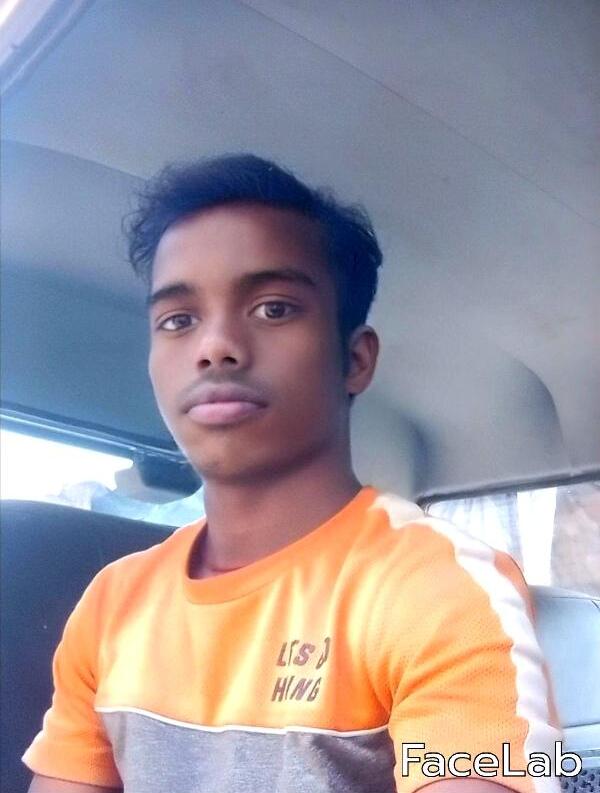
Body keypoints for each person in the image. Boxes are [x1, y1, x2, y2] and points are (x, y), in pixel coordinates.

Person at [24, 154, 563, 793]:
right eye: (178, 320)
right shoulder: (112, 603)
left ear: (355, 360)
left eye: (273, 308)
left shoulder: (439, 588)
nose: (214, 346)